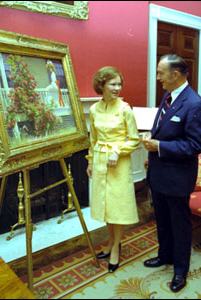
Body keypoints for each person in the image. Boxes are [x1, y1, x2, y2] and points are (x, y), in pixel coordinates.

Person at [142, 54, 201, 293]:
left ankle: (180, 269)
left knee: (179, 224)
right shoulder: (168, 97)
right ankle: (165, 255)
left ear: (176, 75)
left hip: (178, 177)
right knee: (162, 219)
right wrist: (152, 136)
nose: (158, 77)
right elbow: (163, 128)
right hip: (159, 173)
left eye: (161, 72)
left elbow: (194, 145)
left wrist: (158, 146)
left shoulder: (195, 104)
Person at [86, 66, 140, 273]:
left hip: (119, 162)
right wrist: (90, 161)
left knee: (118, 206)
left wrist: (118, 152)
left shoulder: (125, 109)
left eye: (119, 84)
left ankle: (116, 247)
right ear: (102, 85)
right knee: (106, 206)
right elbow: (94, 139)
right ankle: (110, 242)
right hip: (100, 160)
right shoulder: (93, 109)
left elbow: (134, 139)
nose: (117, 88)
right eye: (113, 84)